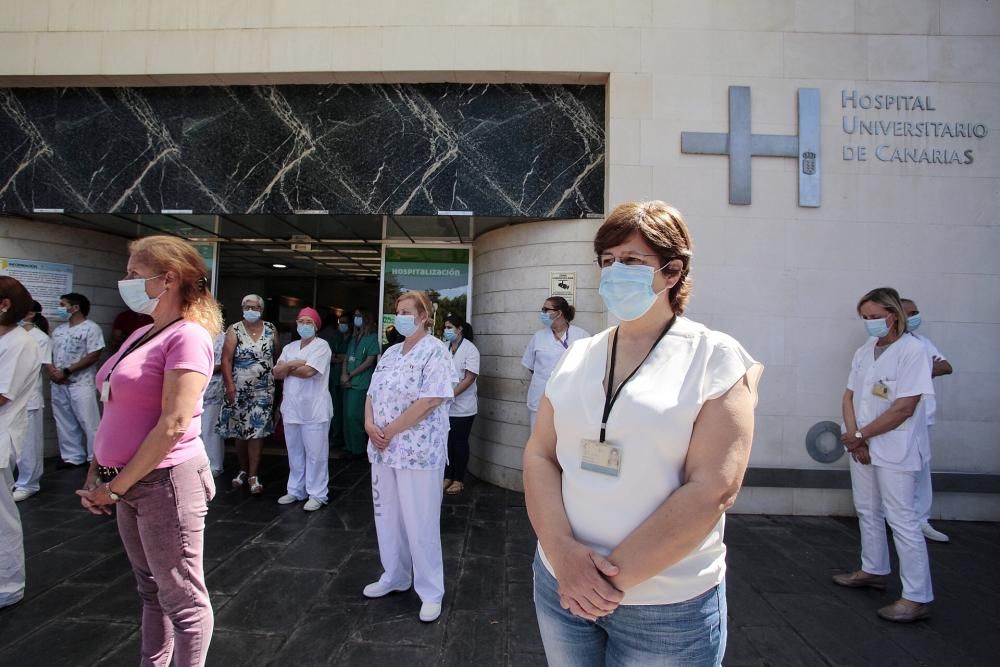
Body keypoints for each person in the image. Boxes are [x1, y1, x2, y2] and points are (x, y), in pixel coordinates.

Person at [523, 201, 762, 666]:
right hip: (560, 584)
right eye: (607, 261)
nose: (615, 272)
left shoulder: (715, 358)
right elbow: (540, 455)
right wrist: (563, 557)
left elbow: (714, 487)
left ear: (672, 273)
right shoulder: (578, 355)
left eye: (631, 261)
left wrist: (602, 583)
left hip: (666, 608)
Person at [74, 235, 221, 664]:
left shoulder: (189, 338)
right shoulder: (142, 334)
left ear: (168, 279)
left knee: (183, 600)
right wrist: (99, 471)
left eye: (135, 275)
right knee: (151, 589)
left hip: (164, 483)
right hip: (128, 481)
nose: (127, 282)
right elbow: (115, 404)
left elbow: (173, 424)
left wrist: (115, 487)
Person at [836, 286, 935, 623]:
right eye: (865, 317)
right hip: (862, 445)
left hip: (895, 447)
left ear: (894, 315)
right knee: (868, 510)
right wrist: (855, 439)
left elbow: (904, 407)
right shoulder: (866, 349)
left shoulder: (913, 351)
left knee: (902, 519)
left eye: (876, 317)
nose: (870, 323)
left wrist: (862, 436)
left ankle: (916, 597)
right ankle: (873, 569)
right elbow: (849, 397)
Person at [363, 291, 455, 623]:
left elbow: (430, 400)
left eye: (406, 311)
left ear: (423, 316)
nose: (400, 316)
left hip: (417, 450)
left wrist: (391, 429)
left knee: (421, 521)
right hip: (383, 450)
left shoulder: (436, 351)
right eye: (397, 311)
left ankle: (431, 591)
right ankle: (395, 575)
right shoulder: (389, 353)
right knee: (387, 515)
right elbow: (372, 392)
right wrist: (370, 424)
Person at [0, 277, 42, 609]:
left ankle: (9, 585)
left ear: (5, 305)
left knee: (2, 519)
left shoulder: (20, 343)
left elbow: (2, 395)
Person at [901, 297, 953, 543]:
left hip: (922, 416)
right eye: (909, 313)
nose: (914, 317)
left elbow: (945, 366)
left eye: (916, 312)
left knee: (921, 468)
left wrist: (916, 369)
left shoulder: (923, 343)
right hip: (893, 418)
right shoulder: (880, 345)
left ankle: (921, 520)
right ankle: (895, 519)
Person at [273, 307, 333, 511]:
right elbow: (277, 372)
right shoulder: (290, 347)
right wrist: (294, 363)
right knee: (295, 452)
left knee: (316, 454)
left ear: (316, 326)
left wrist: (289, 367)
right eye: (301, 321)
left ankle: (317, 494)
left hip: (314, 409)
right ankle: (296, 490)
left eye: (309, 322)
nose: (304, 325)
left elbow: (309, 371)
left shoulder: (322, 346)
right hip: (292, 408)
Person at [217, 294, 277, 495]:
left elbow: (276, 354)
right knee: (241, 431)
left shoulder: (270, 329)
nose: (250, 310)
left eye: (254, 307)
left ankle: (253, 474)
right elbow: (226, 360)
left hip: (263, 389)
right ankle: (242, 469)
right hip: (239, 388)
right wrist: (230, 386)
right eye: (246, 306)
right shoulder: (234, 330)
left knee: (257, 432)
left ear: (261, 309)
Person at [49, 292, 105, 467]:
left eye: (62, 304)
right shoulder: (59, 330)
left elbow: (94, 354)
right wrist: (54, 372)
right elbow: (49, 354)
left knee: (89, 421)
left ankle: (94, 458)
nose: (60, 308)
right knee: (64, 420)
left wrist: (67, 371)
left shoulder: (91, 328)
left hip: (81, 383)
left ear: (75, 308)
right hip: (58, 383)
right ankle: (73, 457)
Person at [521, 296, 589, 431]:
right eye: (542, 309)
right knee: (539, 439)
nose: (542, 313)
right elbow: (531, 367)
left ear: (559, 313)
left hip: (569, 400)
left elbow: (589, 367)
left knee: (565, 442)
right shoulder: (538, 336)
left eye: (546, 310)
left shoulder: (582, 336)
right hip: (540, 396)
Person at [13, 301, 52, 501]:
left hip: (28, 397)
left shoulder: (40, 338)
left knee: (29, 444)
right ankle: (14, 480)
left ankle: (29, 483)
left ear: (29, 313)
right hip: (9, 397)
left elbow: (35, 367)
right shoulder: (11, 334)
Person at [442, 314, 480, 496]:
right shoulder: (444, 347)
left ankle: (459, 479)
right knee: (447, 443)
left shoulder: (470, 350)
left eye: (449, 327)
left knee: (459, 443)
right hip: (445, 406)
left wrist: (451, 394)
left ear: (459, 329)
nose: (446, 331)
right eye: (445, 328)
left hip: (463, 408)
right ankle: (447, 476)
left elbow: (470, 378)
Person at [341, 308, 379, 458]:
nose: (356, 318)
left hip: (360, 383)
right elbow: (346, 357)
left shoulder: (372, 338)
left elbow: (369, 362)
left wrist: (350, 375)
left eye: (358, 315)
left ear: (366, 318)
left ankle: (358, 450)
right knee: (346, 417)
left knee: (354, 417)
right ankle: (349, 447)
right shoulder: (354, 338)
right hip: (348, 382)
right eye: (355, 315)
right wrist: (343, 374)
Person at [323, 312, 352, 459]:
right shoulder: (336, 337)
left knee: (346, 412)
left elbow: (351, 358)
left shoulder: (354, 339)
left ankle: (344, 439)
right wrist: (343, 357)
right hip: (334, 378)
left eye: (345, 322)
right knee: (334, 409)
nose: (342, 324)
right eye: (341, 321)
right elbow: (330, 357)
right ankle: (335, 437)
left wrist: (342, 357)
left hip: (349, 380)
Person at [202, 329, 227, 477]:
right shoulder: (198, 333)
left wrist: (202, 369)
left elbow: (223, 363)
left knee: (210, 428)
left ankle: (215, 465)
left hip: (214, 389)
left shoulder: (222, 338)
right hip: (196, 388)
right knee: (197, 430)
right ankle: (200, 464)